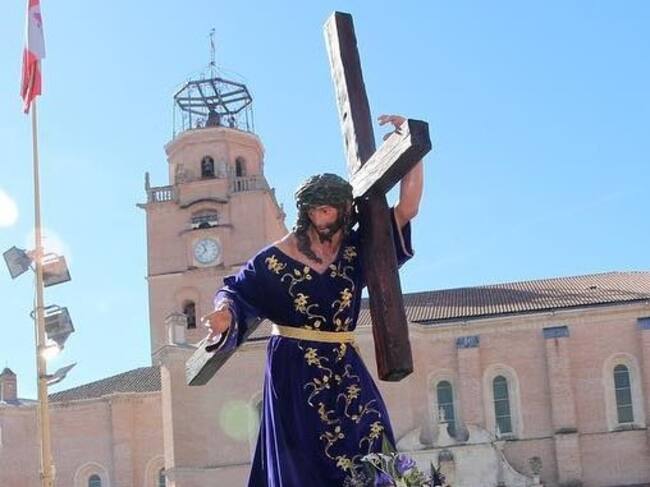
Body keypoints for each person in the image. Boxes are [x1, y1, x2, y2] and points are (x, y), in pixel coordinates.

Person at [203, 114, 424, 486]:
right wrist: (224, 313)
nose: (321, 218)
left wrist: (411, 145)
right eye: (314, 210)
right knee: (303, 459)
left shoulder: (356, 250)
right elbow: (235, 291)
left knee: (371, 437)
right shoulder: (273, 260)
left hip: (344, 364)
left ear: (344, 212)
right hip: (294, 370)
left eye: (328, 210)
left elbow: (407, 209)